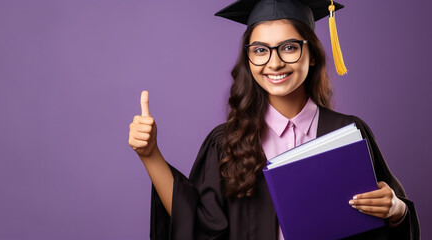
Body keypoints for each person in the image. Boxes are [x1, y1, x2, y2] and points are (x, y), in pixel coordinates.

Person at [128, 0, 420, 239]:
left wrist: (396, 211)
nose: (275, 62)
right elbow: (197, 224)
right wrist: (150, 155)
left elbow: (388, 221)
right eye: (260, 50)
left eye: (289, 47)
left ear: (313, 54)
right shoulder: (227, 142)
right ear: (249, 59)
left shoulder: (349, 133)